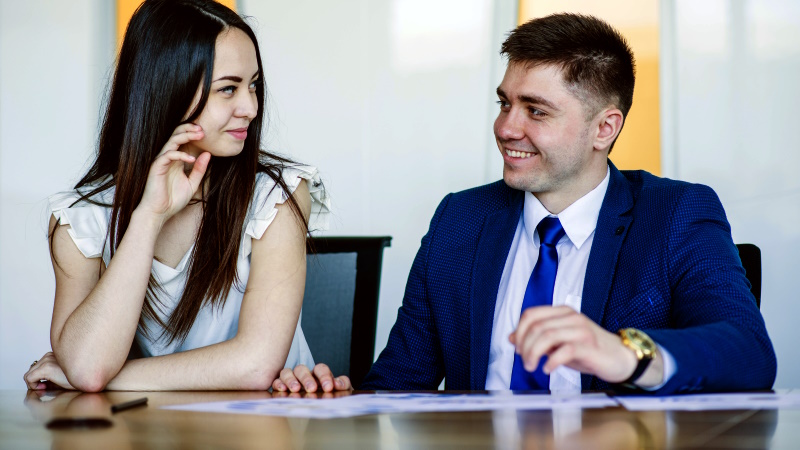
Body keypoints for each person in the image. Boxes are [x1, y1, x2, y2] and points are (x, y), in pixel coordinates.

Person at [283, 13, 776, 394]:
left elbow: (749, 354)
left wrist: (624, 353)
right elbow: (399, 382)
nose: (505, 128)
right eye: (504, 103)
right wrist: (334, 398)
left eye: (535, 111)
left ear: (605, 128)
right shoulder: (460, 219)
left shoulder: (676, 214)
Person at [23, 0, 349, 393]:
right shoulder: (82, 219)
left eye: (253, 85)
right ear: (167, 91)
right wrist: (149, 214)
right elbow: (90, 366)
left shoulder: (277, 194)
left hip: (269, 426)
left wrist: (107, 380)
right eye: (228, 89)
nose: (250, 106)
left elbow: (255, 365)